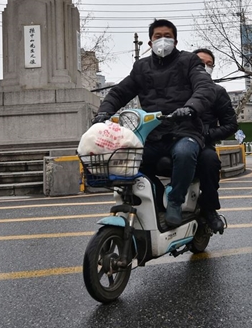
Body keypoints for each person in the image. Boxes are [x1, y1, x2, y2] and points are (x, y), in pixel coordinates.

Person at [93, 19, 215, 226]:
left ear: (175, 41)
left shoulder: (189, 61)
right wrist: (103, 113)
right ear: (150, 42)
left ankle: (175, 201)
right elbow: (120, 91)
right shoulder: (141, 68)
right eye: (158, 36)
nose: (163, 40)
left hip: (185, 130)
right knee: (130, 161)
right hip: (153, 133)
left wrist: (191, 108)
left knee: (184, 153)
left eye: (167, 36)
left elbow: (205, 87)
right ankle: (159, 199)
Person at [192, 48, 238, 234]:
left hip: (203, 145)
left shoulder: (218, 92)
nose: (205, 67)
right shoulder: (175, 89)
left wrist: (207, 135)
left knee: (210, 161)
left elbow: (231, 125)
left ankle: (209, 209)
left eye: (209, 64)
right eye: (200, 63)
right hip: (173, 142)